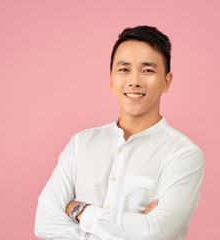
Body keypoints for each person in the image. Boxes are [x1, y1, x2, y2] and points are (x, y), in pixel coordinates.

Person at [34, 25, 205, 240]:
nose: (134, 81)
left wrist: (79, 211)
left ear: (166, 82)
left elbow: (154, 232)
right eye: (124, 69)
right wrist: (130, 228)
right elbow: (43, 223)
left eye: (148, 70)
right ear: (111, 78)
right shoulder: (81, 143)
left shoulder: (183, 154)